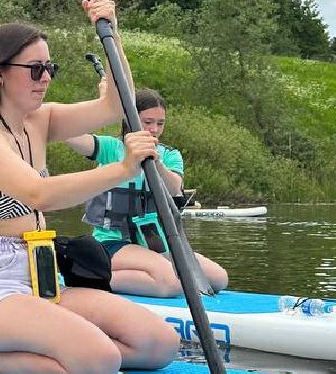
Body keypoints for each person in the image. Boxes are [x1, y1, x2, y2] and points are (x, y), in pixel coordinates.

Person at [0, 2, 180, 374]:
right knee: (98, 363)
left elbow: (119, 103)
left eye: (49, 69)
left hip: (41, 279)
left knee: (159, 344)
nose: (45, 78)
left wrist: (112, 32)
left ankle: (63, 347)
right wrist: (122, 169)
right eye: (35, 69)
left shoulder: (41, 120)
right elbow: (39, 194)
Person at [65, 88, 229, 297]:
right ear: (130, 119)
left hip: (152, 244)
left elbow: (174, 189)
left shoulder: (169, 155)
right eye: (147, 122)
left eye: (160, 123)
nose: (154, 129)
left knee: (218, 278)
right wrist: (102, 105)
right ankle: (86, 278)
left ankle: (145, 273)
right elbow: (69, 135)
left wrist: (156, 161)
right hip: (113, 243)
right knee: (171, 282)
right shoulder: (111, 148)